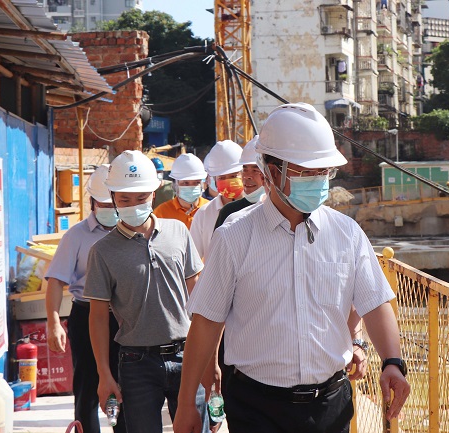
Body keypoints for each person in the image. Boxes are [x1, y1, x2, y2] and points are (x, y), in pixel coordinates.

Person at [174, 103, 410, 433]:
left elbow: (375, 303)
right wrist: (187, 404)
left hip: (331, 406)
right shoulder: (234, 237)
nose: (318, 181)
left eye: (323, 172)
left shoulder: (347, 233)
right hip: (256, 408)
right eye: (306, 172)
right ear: (272, 172)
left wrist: (393, 362)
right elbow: (206, 322)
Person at [83, 150, 213, 433]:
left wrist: (210, 359)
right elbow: (98, 317)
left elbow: (200, 299)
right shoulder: (102, 252)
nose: (133, 205)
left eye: (141, 197)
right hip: (136, 363)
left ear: (154, 194)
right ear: (113, 198)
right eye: (125, 199)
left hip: (187, 355)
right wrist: (104, 374)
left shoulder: (178, 232)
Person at [45, 164, 127, 433]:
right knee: (88, 389)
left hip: (125, 319)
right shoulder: (76, 236)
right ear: (92, 202)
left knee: (127, 388)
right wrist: (53, 322)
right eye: (103, 204)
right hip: (86, 316)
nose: (109, 209)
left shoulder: (132, 232)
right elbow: (56, 280)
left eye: (113, 203)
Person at [190, 140, 243, 261]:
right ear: (214, 179)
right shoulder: (204, 214)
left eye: (233, 176)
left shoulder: (258, 207)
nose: (228, 181)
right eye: (222, 177)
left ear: (243, 174)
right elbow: (193, 261)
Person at [213, 136, 265, 230]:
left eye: (255, 170)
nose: (247, 176)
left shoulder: (284, 211)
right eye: (245, 170)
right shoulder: (229, 212)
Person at [154, 153, 209, 229]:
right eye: (185, 183)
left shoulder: (210, 209)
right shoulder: (161, 213)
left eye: (196, 182)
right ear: (175, 185)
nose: (191, 187)